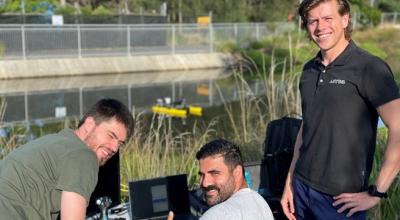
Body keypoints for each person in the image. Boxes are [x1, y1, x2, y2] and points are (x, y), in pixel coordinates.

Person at [280, 0, 400, 219]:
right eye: (312, 21)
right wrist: (289, 181)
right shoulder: (309, 70)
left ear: (345, 19)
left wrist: (377, 192)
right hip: (301, 187)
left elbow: (398, 126)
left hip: (341, 201)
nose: (319, 27)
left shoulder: (369, 68)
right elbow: (306, 127)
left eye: (327, 18)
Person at [0, 98, 134, 220]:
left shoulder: (59, 142)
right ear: (89, 124)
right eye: (111, 136)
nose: (114, 148)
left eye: (120, 143)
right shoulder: (83, 156)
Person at [196, 139, 274, 220]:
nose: (205, 183)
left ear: (237, 172)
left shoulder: (216, 215)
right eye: (202, 175)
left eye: (214, 173)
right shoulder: (259, 202)